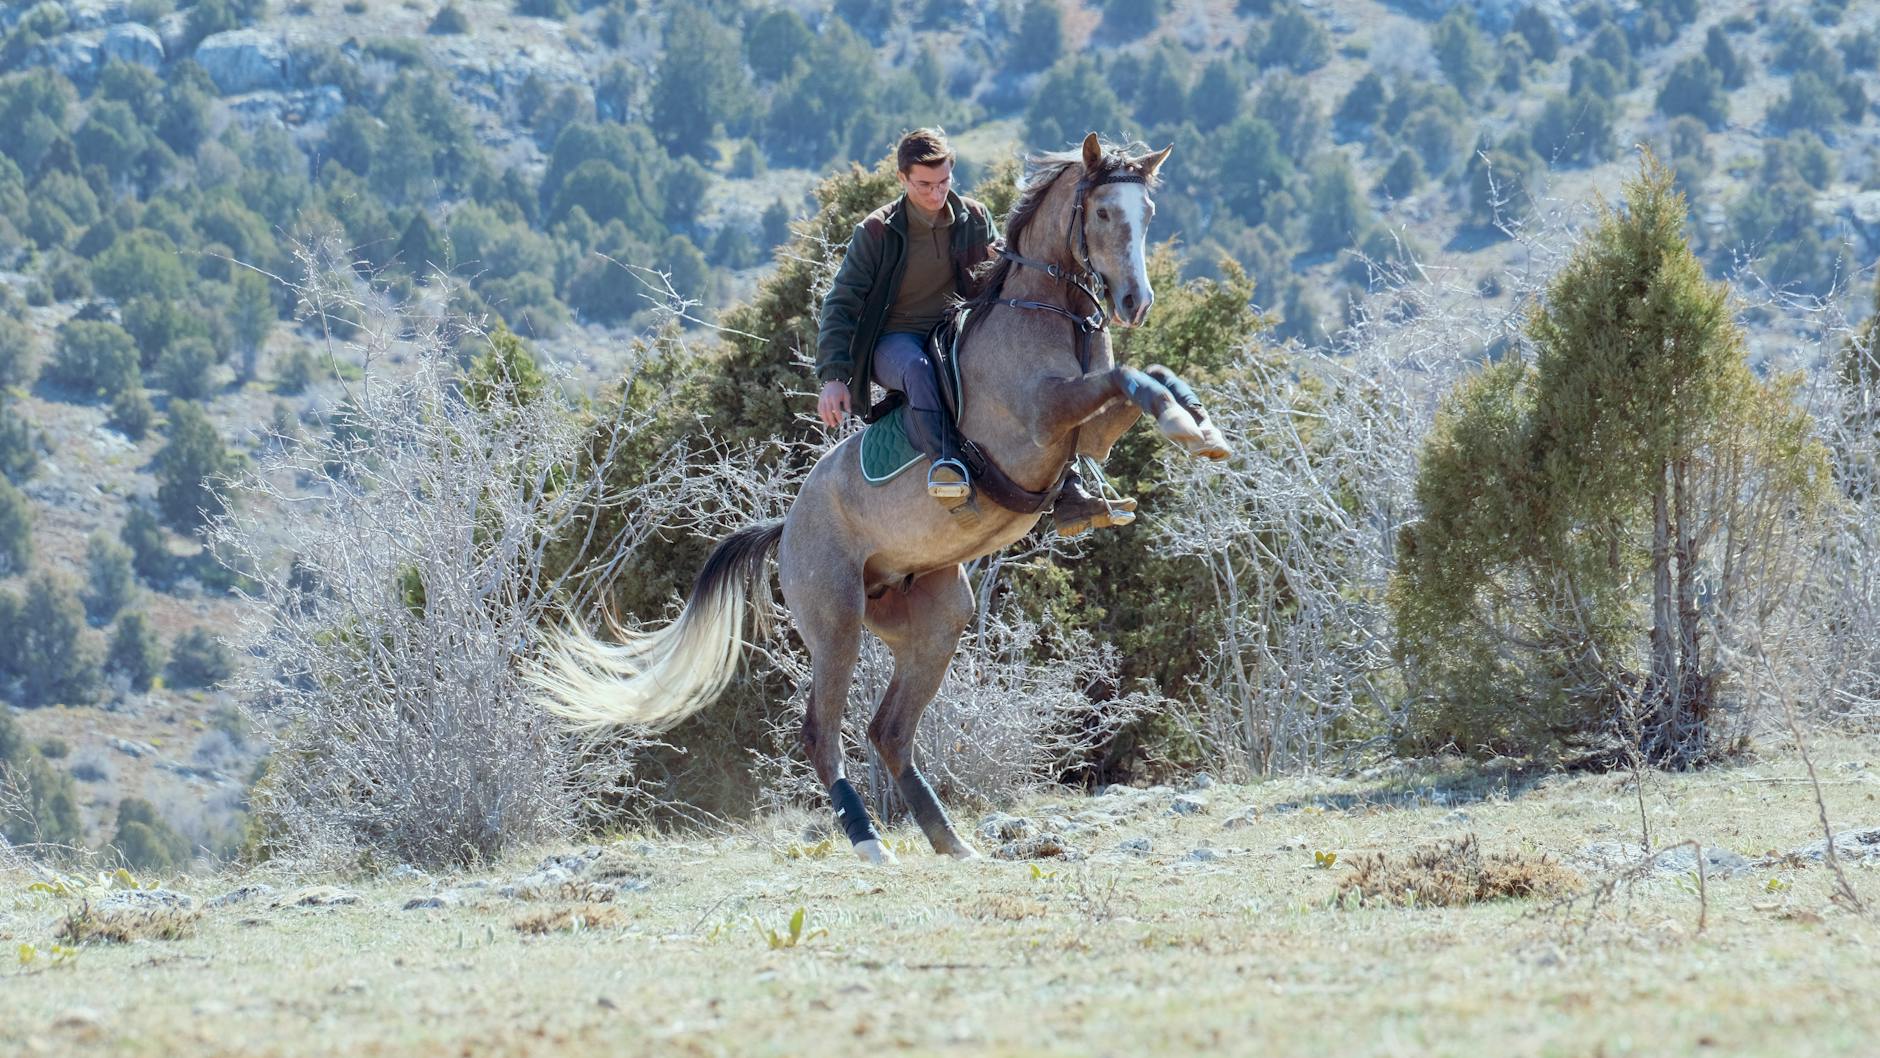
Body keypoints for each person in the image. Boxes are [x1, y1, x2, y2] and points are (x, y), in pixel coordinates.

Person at [814, 128, 1130, 533]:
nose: (936, 193)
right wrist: (834, 376)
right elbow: (841, 303)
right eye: (924, 185)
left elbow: (1000, 279)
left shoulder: (975, 218)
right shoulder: (876, 231)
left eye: (944, 181)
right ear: (902, 178)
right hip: (896, 341)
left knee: (1036, 380)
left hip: (956, 332)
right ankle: (946, 465)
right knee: (917, 370)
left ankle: (1071, 491)